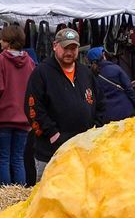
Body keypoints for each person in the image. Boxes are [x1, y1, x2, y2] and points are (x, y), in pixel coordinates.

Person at [25, 28, 103, 165]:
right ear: (55, 46)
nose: (69, 52)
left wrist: (96, 129)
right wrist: (53, 134)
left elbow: (101, 103)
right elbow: (33, 108)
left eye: (73, 48)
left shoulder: (86, 73)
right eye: (65, 48)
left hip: (84, 151)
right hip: (52, 153)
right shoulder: (42, 73)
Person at [0, 25, 37, 187]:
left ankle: (5, 195)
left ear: (8, 41)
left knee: (3, 159)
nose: (0, 42)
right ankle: (19, 194)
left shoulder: (0, 60)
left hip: (4, 116)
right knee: (18, 158)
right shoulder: (30, 61)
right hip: (23, 117)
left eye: (2, 39)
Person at [90, 46, 135, 122]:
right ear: (103, 55)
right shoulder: (115, 68)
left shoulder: (90, 76)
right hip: (125, 109)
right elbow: (129, 89)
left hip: (107, 114)